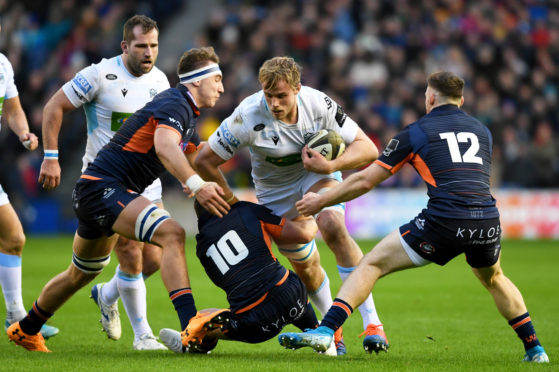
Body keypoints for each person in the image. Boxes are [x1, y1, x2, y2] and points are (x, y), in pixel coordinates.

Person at [278, 71, 549, 363]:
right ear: (461, 99)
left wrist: (322, 199)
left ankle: (326, 330)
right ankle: (535, 349)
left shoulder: (416, 132)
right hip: (487, 221)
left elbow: (365, 181)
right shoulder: (482, 131)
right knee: (495, 278)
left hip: (445, 221)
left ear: (430, 97)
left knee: (371, 263)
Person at [6, 46, 230, 352]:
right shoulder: (176, 104)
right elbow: (165, 146)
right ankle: (190, 326)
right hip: (105, 189)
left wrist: (239, 143)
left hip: (96, 191)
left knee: (80, 273)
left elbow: (189, 149)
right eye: (216, 79)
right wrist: (195, 183)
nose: (222, 86)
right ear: (196, 81)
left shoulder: (184, 111)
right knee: (172, 234)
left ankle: (26, 328)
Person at [195, 56, 385, 355]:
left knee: (333, 226)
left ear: (297, 88)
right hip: (275, 195)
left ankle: (372, 324)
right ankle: (331, 330)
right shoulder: (247, 115)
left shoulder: (318, 104)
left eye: (281, 96)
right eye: (268, 95)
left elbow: (369, 149)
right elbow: (205, 160)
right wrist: (234, 204)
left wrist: (330, 165)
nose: (274, 103)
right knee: (307, 268)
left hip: (316, 175)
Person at [37, 15, 170, 350]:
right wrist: (51, 156)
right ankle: (143, 337)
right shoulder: (99, 74)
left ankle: (107, 294)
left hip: (148, 183)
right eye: (141, 46)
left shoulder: (161, 81)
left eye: (153, 46)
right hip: (107, 182)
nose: (148, 53)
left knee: (153, 259)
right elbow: (54, 106)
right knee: (129, 251)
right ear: (125, 45)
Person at [159, 199, 338, 355]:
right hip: (292, 294)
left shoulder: (202, 248)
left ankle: (199, 338)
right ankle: (317, 330)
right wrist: (316, 214)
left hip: (256, 324)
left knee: (206, 316)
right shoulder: (246, 210)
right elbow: (303, 234)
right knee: (281, 283)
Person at [0, 23, 59, 340]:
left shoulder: (2, 64)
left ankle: (16, 319)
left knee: (13, 238)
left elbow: (13, 110)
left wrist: (23, 133)